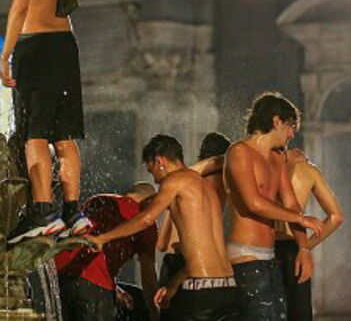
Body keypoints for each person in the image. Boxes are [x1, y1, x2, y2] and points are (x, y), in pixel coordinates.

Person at [0, 0, 89, 242]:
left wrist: (6, 54)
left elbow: (20, 7)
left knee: (34, 133)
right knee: (64, 133)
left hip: (34, 46)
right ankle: (73, 210)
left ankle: (42, 211)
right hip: (65, 45)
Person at [89, 134, 239, 320]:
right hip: (228, 286)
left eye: (152, 172)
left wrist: (103, 238)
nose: (156, 182)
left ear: (159, 160)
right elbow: (201, 252)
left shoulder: (174, 181)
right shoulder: (206, 187)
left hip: (200, 290)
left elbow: (146, 219)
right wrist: (173, 285)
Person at [224, 93, 324, 320]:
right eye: (290, 127)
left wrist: (304, 248)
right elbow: (253, 203)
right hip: (245, 257)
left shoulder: (277, 159)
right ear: (276, 121)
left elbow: (291, 204)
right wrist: (301, 220)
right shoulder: (239, 152)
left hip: (270, 258)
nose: (292, 134)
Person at [54, 182, 159, 321]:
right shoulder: (144, 221)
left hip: (61, 273)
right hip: (93, 282)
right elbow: (148, 272)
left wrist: (114, 287)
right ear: (151, 201)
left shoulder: (99, 199)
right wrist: (153, 310)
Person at [156, 131, 232, 320]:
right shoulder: (212, 185)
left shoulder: (187, 182)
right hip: (190, 268)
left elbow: (162, 243)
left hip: (176, 262)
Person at [274, 149, 344, 321]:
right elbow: (336, 217)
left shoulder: (265, 164)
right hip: (295, 248)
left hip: (263, 247)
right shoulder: (307, 170)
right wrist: (305, 247)